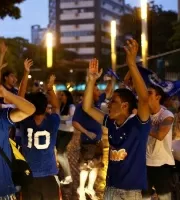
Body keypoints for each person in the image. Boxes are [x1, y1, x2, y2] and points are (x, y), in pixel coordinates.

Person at [82, 39, 151, 200]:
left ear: (125, 106)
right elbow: (87, 108)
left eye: (113, 101)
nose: (109, 104)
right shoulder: (111, 123)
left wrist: (131, 64)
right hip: (110, 188)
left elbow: (144, 99)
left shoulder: (138, 124)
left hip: (131, 193)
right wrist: (91, 80)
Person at [18, 75, 61, 200]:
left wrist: (25, 74)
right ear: (45, 106)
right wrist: (50, 89)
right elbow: (56, 107)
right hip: (49, 175)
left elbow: (19, 100)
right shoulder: (52, 121)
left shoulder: (25, 121)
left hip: (29, 175)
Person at [72, 74, 113, 199]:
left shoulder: (98, 101)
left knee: (96, 166)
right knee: (85, 167)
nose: (98, 91)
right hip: (87, 142)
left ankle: (90, 187)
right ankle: (81, 189)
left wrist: (111, 80)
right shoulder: (81, 106)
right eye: (96, 90)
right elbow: (75, 122)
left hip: (98, 141)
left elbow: (108, 91)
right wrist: (86, 132)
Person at [142, 85, 175, 200]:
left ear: (158, 97)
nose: (146, 94)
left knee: (164, 197)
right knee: (144, 197)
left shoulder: (167, 115)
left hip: (162, 164)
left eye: (150, 93)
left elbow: (160, 135)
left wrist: (143, 125)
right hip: (145, 162)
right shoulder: (143, 113)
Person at [57, 90, 75, 185]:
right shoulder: (62, 106)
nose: (61, 96)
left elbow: (73, 120)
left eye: (62, 95)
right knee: (62, 154)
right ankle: (61, 174)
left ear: (67, 96)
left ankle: (68, 176)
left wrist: (60, 121)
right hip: (60, 131)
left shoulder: (71, 107)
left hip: (67, 132)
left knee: (60, 153)